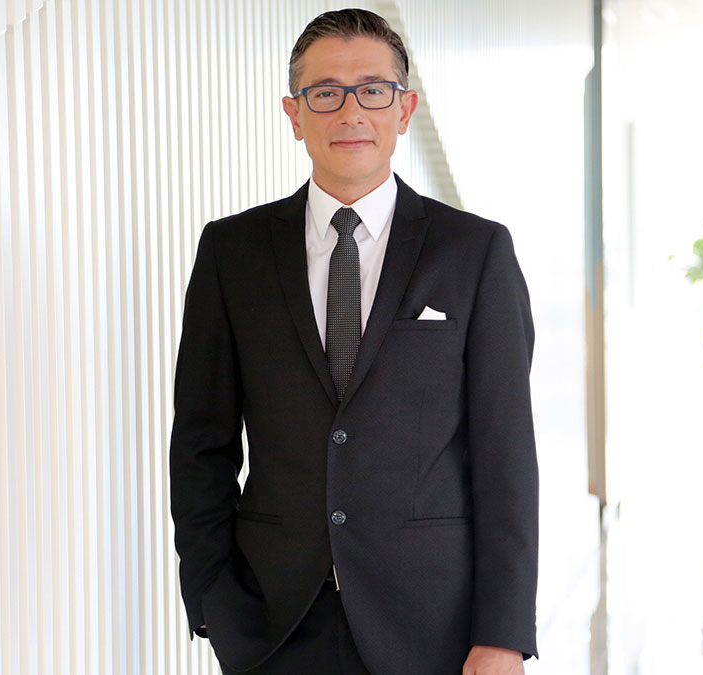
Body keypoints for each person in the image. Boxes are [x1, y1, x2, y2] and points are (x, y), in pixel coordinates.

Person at [169, 8, 538, 674]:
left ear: (404, 109)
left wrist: (503, 631)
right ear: (294, 113)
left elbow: (505, 455)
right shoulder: (232, 252)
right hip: (273, 625)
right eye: (325, 93)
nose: (350, 111)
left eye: (372, 90)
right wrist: (211, 599)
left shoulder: (474, 252)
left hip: (434, 625)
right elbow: (201, 444)